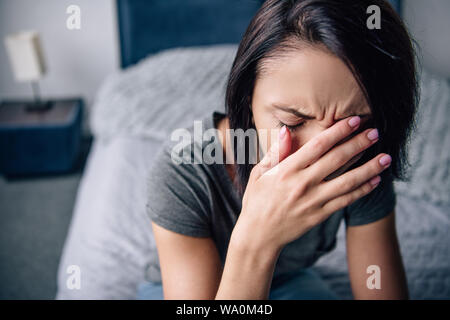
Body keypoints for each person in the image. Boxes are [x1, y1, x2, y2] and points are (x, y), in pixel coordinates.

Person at [140, 0, 417, 300]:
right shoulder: (184, 170)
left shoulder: (361, 154)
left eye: (351, 124)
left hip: (289, 280)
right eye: (293, 122)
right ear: (246, 98)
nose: (322, 153)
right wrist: (256, 241)